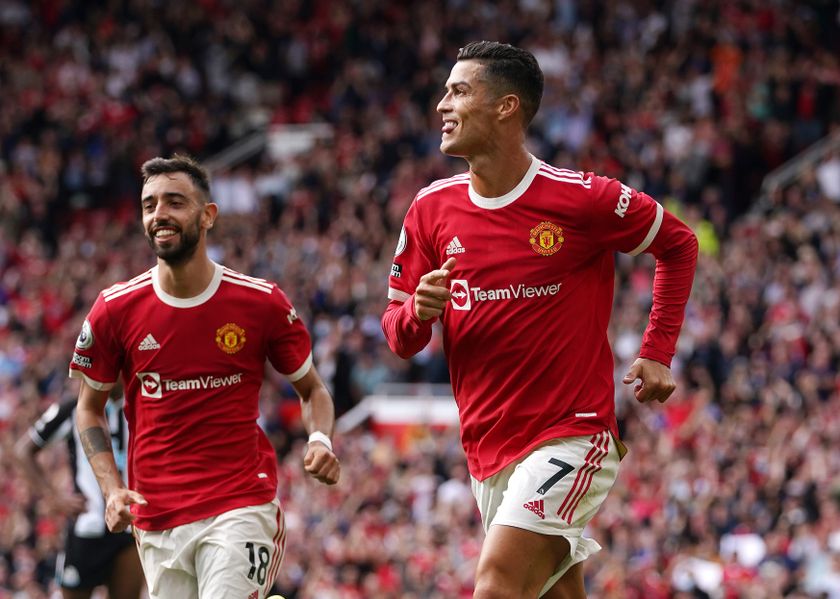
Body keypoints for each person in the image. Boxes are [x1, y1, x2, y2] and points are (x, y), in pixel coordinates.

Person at [381, 41, 698, 599]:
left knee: (497, 582)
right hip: (486, 448)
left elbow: (678, 243)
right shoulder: (430, 209)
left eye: (458, 91)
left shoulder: (581, 200)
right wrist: (416, 312)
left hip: (570, 434)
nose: (441, 106)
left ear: (506, 106)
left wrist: (656, 350)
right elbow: (399, 336)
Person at [70, 154, 340, 599]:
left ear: (207, 215)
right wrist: (112, 488)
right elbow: (88, 409)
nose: (160, 214)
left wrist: (320, 440)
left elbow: (312, 390)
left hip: (240, 505)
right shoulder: (114, 310)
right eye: (149, 204)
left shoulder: (260, 303)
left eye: (175, 202)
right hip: (155, 518)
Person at [14, 385, 145, 599]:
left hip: (130, 524)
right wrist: (53, 497)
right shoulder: (72, 407)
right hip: (87, 525)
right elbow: (23, 451)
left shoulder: (142, 404)